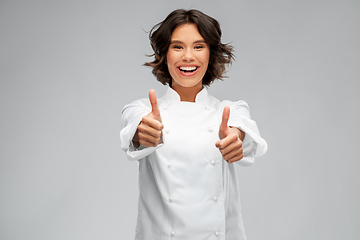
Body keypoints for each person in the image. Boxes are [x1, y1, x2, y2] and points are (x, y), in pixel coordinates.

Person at [120, 9, 267, 240]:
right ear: (164, 54)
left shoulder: (229, 111)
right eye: (177, 47)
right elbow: (135, 127)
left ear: (211, 54)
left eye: (198, 46)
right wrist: (144, 133)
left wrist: (235, 138)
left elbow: (242, 131)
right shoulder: (142, 111)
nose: (188, 56)